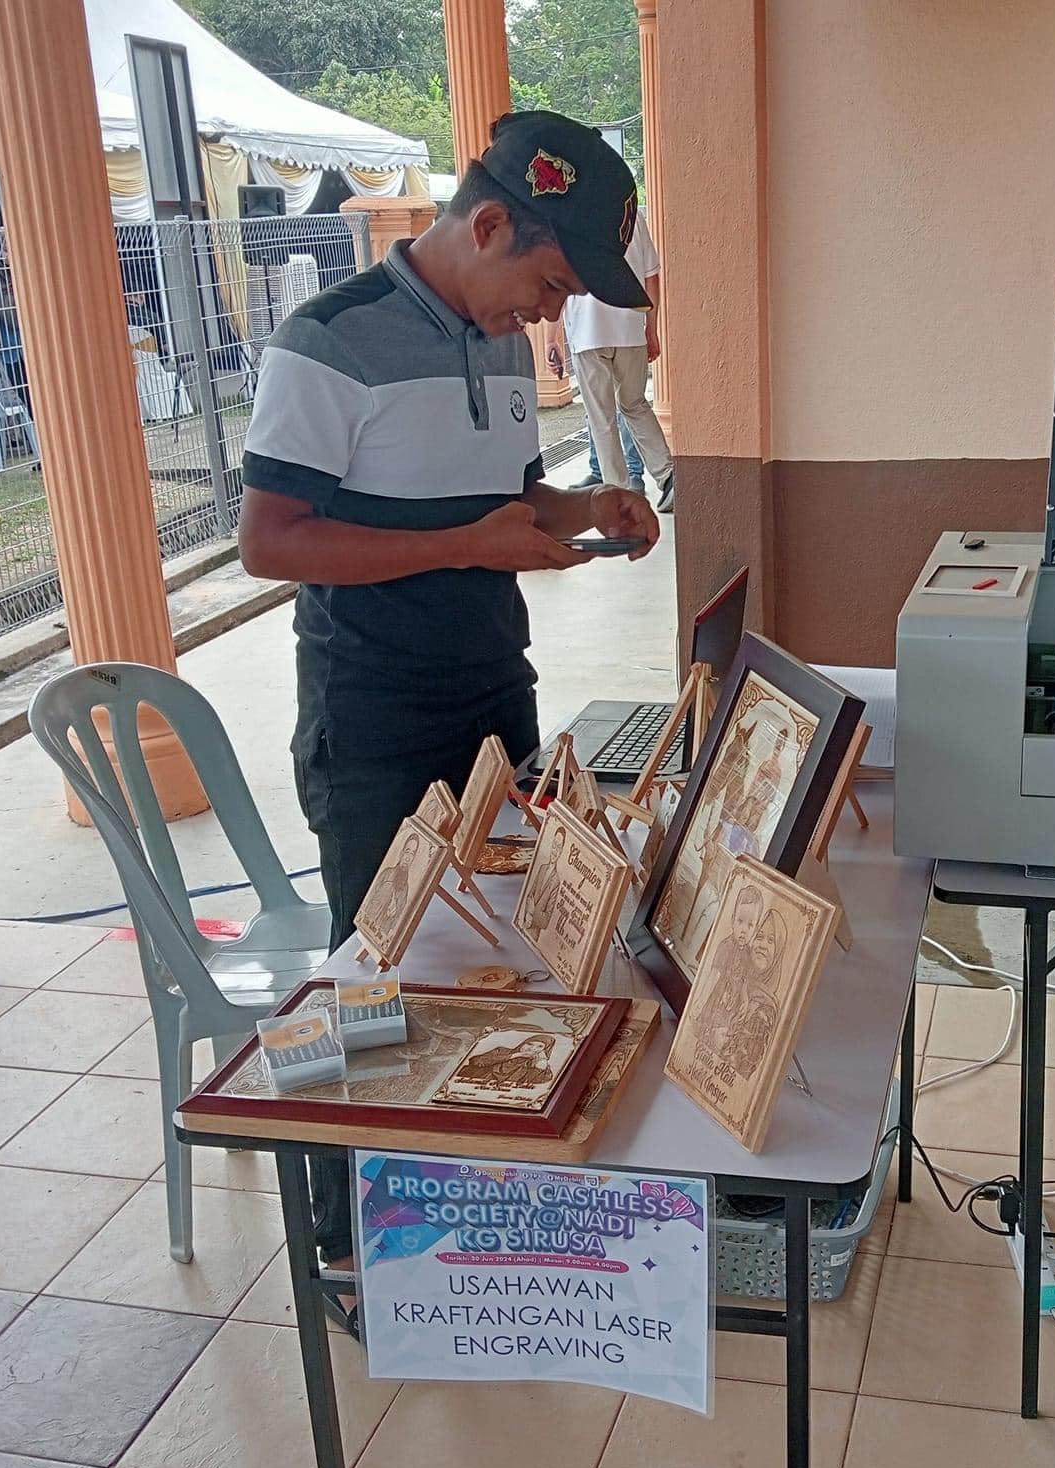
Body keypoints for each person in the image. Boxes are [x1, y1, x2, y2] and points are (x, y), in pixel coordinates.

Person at [237, 110, 659, 1327]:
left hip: (491, 694)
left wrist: (586, 506)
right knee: (371, 976)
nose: (549, 313)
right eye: (550, 283)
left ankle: (460, 1183)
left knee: (493, 953)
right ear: (485, 228)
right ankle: (343, 1247)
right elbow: (272, 542)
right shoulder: (329, 342)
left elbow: (502, 503)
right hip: (373, 710)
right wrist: (469, 546)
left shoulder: (497, 345)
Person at [561, 205, 675, 513]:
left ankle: (620, 494)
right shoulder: (632, 216)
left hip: (586, 330)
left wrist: (551, 338)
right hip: (629, 326)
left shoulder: (568, 215)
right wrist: (651, 328)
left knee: (602, 417)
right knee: (634, 404)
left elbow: (557, 280)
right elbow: (652, 276)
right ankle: (668, 475)